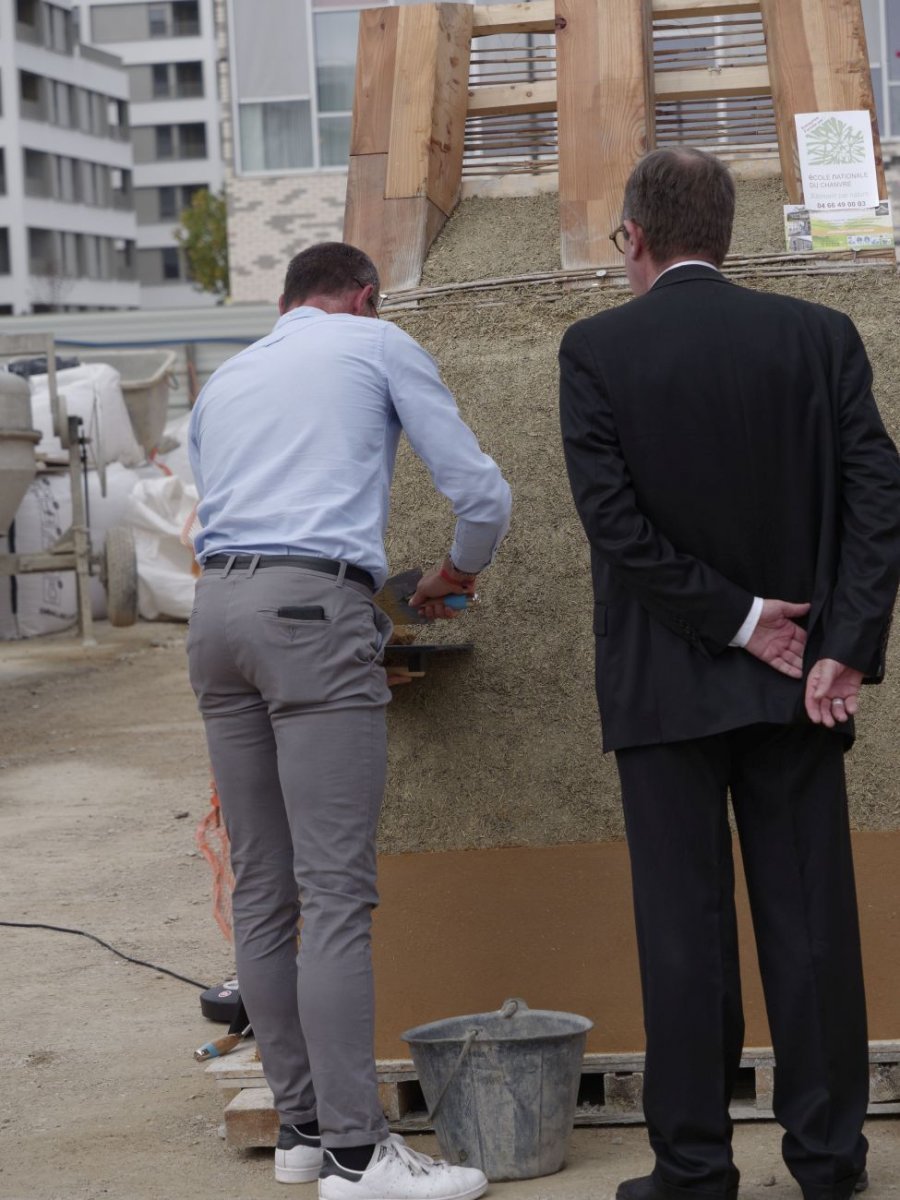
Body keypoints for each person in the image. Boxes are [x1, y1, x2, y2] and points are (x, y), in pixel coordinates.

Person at [559, 148, 900, 1200]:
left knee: (683, 933)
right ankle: (830, 1160)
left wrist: (740, 620)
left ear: (636, 240)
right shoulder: (820, 337)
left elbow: (613, 525)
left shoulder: (596, 350)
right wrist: (838, 642)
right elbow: (879, 501)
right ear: (728, 233)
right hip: (803, 690)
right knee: (812, 928)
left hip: (664, 694)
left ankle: (695, 1167)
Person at [187, 242, 510, 1200]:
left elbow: (228, 508)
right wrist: (453, 571)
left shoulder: (229, 378)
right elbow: (482, 491)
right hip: (311, 614)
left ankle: (301, 1130)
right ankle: (361, 1160)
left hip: (216, 621)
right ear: (363, 297)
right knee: (334, 895)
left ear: (288, 302)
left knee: (263, 888)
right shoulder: (374, 345)